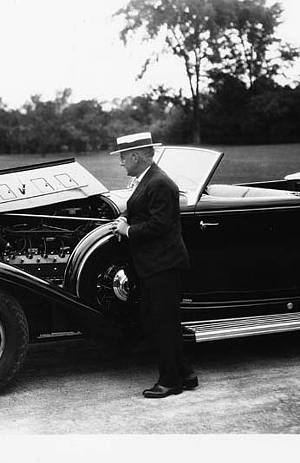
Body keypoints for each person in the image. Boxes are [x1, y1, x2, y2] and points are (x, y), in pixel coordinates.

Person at [109, 132, 198, 399]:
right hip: (155, 265)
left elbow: (160, 225)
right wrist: (123, 219)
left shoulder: (160, 183)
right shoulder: (147, 180)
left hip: (163, 265)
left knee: (162, 324)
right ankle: (186, 374)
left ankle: (170, 382)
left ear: (136, 156)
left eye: (123, 157)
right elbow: (138, 209)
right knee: (161, 322)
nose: (121, 163)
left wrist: (128, 232)